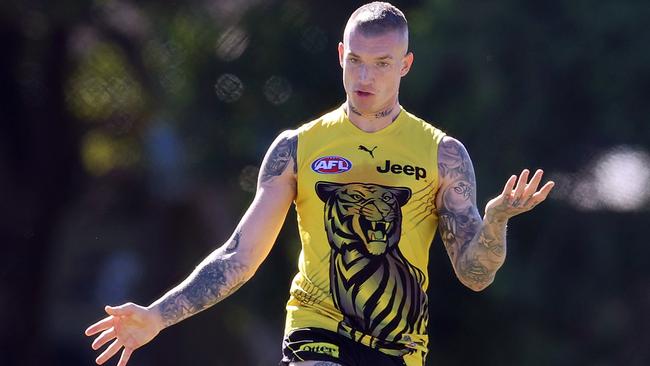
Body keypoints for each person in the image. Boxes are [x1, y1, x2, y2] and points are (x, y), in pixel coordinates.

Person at [85, 2, 555, 366]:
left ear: (406, 64)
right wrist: (157, 316)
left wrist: (494, 222)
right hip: (315, 330)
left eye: (382, 63)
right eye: (355, 60)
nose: (364, 76)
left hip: (398, 346)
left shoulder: (442, 155)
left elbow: (475, 274)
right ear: (340, 56)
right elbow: (238, 256)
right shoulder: (297, 148)